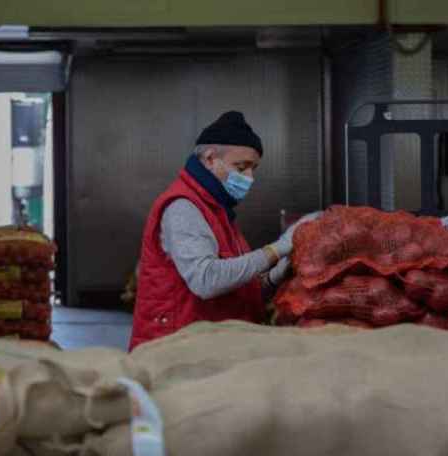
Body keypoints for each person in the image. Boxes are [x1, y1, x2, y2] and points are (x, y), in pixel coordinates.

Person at [129, 111, 319, 350]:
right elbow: (206, 280)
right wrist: (277, 248)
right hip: (176, 352)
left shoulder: (218, 209)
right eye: (242, 167)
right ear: (210, 159)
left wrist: (275, 275)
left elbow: (235, 285)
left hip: (210, 347)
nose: (250, 177)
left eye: (254, 169)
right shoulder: (184, 208)